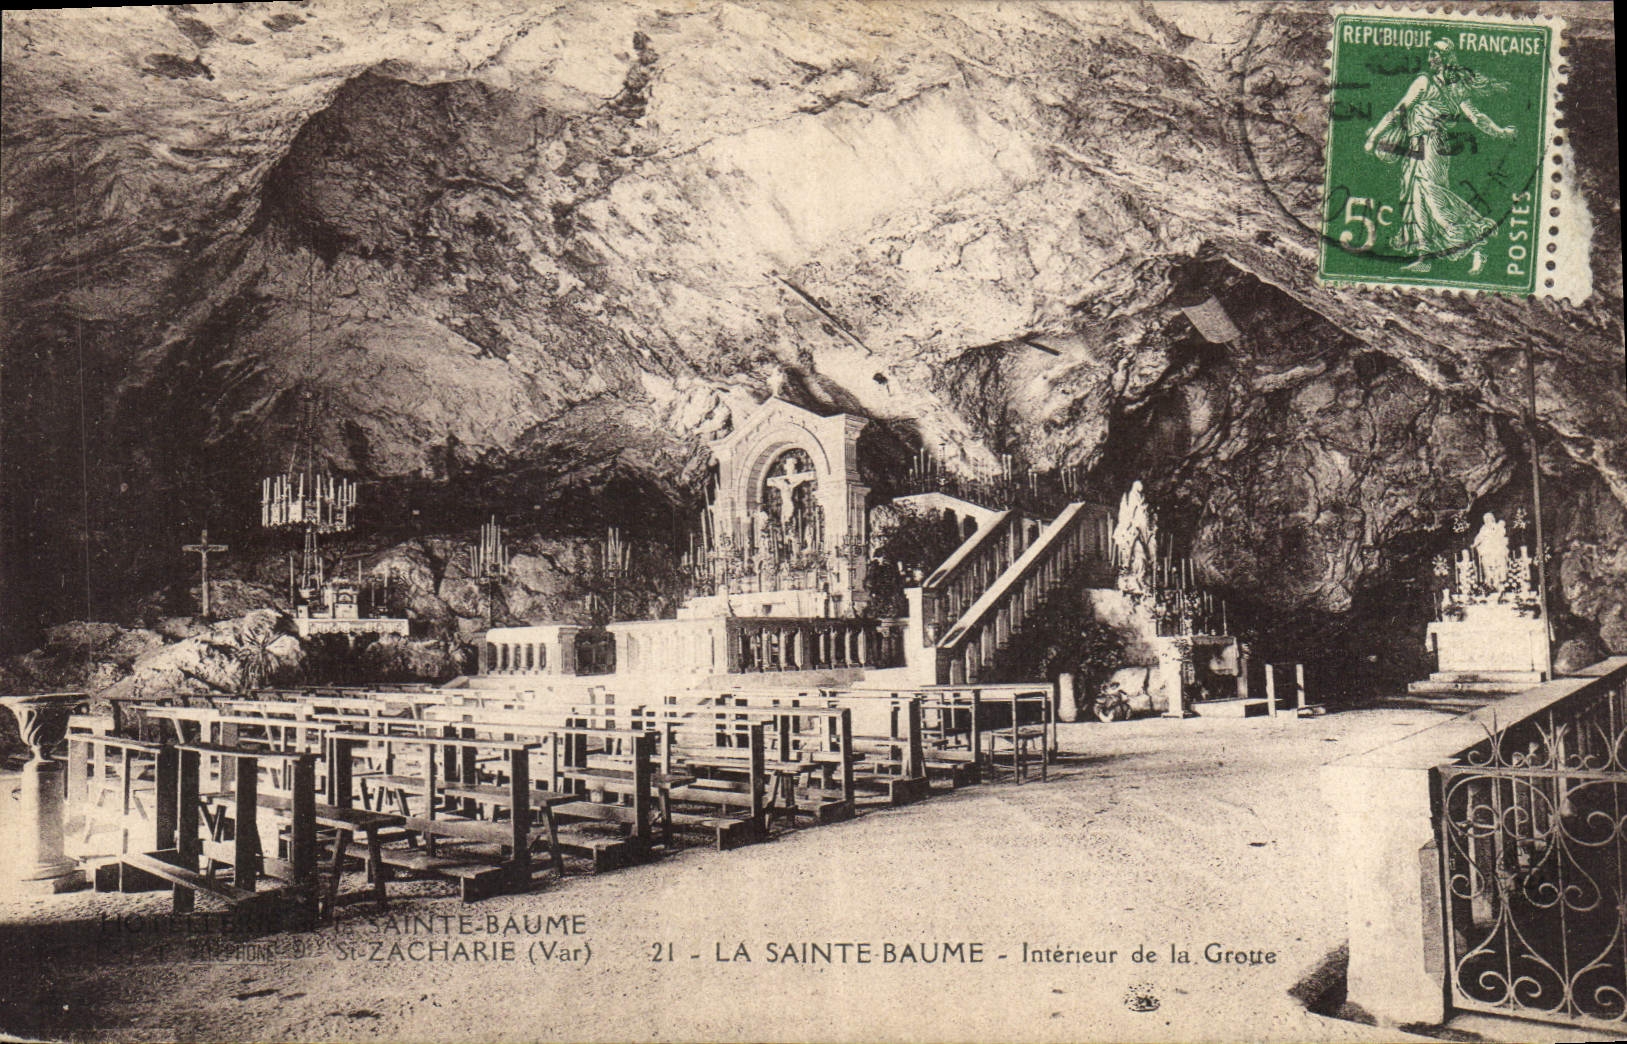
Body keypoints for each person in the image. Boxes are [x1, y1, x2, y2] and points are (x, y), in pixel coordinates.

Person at [1364, 39, 1516, 274]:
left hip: (1429, 145)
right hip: (1425, 146)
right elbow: (1477, 118)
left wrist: (1374, 137)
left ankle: (1476, 241)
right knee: (1416, 199)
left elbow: (1398, 110)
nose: (1430, 59)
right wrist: (1500, 131)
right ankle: (1425, 256)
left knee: (1432, 197)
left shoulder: (1425, 82)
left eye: (1434, 55)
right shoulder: (1456, 88)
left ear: (1445, 58)